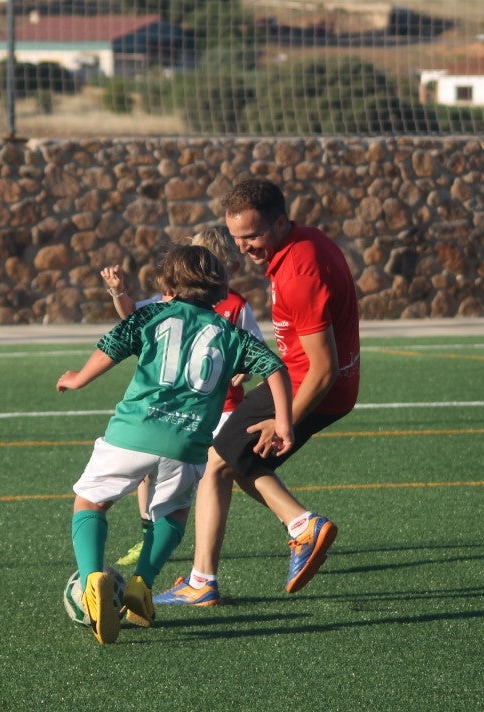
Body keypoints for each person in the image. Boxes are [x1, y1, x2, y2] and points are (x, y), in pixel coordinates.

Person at [57, 244, 293, 644]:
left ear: (167, 283)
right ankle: (141, 585)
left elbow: (114, 344)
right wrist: (283, 422)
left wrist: (78, 378)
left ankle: (92, 577)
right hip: (186, 445)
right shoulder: (231, 334)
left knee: (91, 502)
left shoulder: (152, 314)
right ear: (219, 289)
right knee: (174, 512)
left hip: (131, 433)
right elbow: (274, 367)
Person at [154, 177, 361, 606]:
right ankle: (205, 579)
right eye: (237, 238)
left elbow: (322, 370)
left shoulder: (299, 269)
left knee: (222, 457)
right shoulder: (301, 244)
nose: (244, 247)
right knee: (224, 460)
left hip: (313, 387)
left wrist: (285, 422)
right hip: (307, 381)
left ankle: (298, 525)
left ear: (281, 222)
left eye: (253, 235)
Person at [100, 226, 264, 567]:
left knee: (231, 470)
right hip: (172, 409)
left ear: (228, 270)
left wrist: (244, 371)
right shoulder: (169, 301)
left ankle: (292, 518)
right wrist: (119, 293)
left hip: (222, 410)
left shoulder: (236, 307)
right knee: (153, 471)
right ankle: (149, 535)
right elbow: (133, 316)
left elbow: (257, 351)